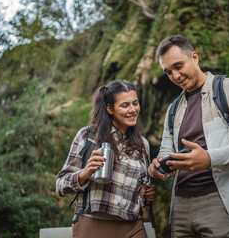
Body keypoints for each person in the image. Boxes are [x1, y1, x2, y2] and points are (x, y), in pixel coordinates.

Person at [147, 34, 229, 237]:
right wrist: (160, 165)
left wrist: (209, 159)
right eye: (168, 72)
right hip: (180, 208)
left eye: (179, 66)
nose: (175, 76)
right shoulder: (173, 109)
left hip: (225, 204)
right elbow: (167, 151)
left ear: (194, 57)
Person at [56, 80, 158, 238]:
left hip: (133, 225)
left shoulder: (143, 144)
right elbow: (61, 186)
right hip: (94, 224)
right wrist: (85, 173)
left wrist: (145, 195)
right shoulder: (88, 136)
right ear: (109, 108)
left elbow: (140, 192)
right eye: (125, 105)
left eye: (135, 103)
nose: (132, 110)